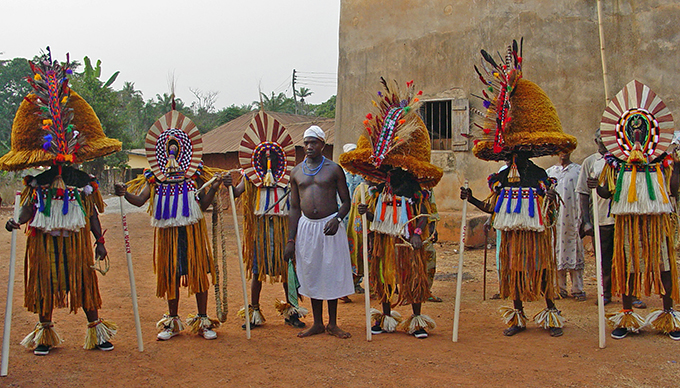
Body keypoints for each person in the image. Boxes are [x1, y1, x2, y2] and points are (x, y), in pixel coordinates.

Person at [0, 50, 122, 355]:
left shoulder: (81, 181)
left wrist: (100, 241)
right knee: (45, 284)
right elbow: (29, 209)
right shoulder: (37, 183)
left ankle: (97, 332)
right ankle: (44, 334)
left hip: (77, 242)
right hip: (44, 241)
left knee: (84, 282)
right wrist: (18, 220)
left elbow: (92, 212)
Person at [464, 38, 578, 337]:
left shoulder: (540, 175)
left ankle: (551, 313)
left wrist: (551, 199)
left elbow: (551, 214)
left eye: (520, 154)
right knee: (514, 272)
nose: (516, 158)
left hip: (536, 238)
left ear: (527, 152)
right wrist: (471, 198)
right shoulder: (501, 179)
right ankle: (517, 316)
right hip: (513, 238)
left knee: (542, 270)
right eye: (512, 155)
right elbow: (493, 207)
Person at [340, 78, 444, 338]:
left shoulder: (414, 187)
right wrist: (368, 215)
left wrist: (418, 234)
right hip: (384, 241)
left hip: (408, 241)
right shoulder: (378, 189)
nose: (390, 171)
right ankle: (385, 317)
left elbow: (424, 214)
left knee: (412, 277)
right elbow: (377, 215)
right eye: (386, 166)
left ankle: (417, 320)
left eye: (393, 166)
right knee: (384, 278)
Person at [115, 109, 223, 341]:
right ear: (161, 150)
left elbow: (203, 206)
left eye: (176, 146)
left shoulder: (194, 175)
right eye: (168, 146)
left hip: (192, 233)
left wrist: (213, 188)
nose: (172, 150)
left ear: (184, 148)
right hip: (167, 237)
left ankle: (203, 320)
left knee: (198, 274)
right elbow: (141, 199)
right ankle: (172, 322)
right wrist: (125, 194)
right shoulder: (155, 178)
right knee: (171, 275)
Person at [593, 80, 679, 340]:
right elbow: (606, 192)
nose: (638, 133)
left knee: (664, 266)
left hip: (657, 222)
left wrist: (677, 162)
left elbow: (673, 189)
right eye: (633, 128)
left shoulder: (663, 160)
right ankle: (627, 316)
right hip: (627, 223)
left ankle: (668, 315)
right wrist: (598, 186)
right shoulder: (615, 162)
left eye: (642, 128)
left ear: (652, 129)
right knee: (628, 267)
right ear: (625, 133)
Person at [226, 110, 306, 329]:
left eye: (272, 155)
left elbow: (298, 203)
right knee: (257, 271)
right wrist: (227, 184)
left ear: (279, 157)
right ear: (259, 157)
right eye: (265, 155)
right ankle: (254, 313)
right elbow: (235, 193)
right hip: (260, 228)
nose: (268, 158)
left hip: (282, 227)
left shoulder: (289, 177)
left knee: (286, 268)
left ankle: (292, 312)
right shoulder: (250, 177)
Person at [284, 125, 354, 339]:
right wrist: (290, 239)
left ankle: (333, 323)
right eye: (306, 142)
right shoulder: (296, 172)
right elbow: (294, 208)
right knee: (312, 272)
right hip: (307, 227)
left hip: (330, 226)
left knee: (330, 272)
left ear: (322, 144)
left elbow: (346, 201)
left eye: (313, 142)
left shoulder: (334, 169)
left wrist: (337, 219)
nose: (309, 146)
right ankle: (317, 323)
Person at [546, 152, 585, 301]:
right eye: (561, 150)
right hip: (557, 218)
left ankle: (577, 288)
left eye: (566, 150)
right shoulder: (550, 172)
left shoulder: (578, 170)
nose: (563, 153)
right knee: (557, 249)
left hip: (574, 216)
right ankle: (560, 287)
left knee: (575, 248)